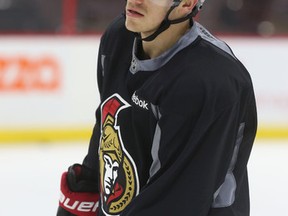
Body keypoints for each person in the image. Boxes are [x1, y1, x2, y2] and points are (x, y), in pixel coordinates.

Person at [57, 0, 257, 215]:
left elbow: (175, 202)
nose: (135, 1)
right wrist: (83, 192)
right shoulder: (119, 38)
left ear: (187, 4)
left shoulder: (208, 81)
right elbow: (109, 126)